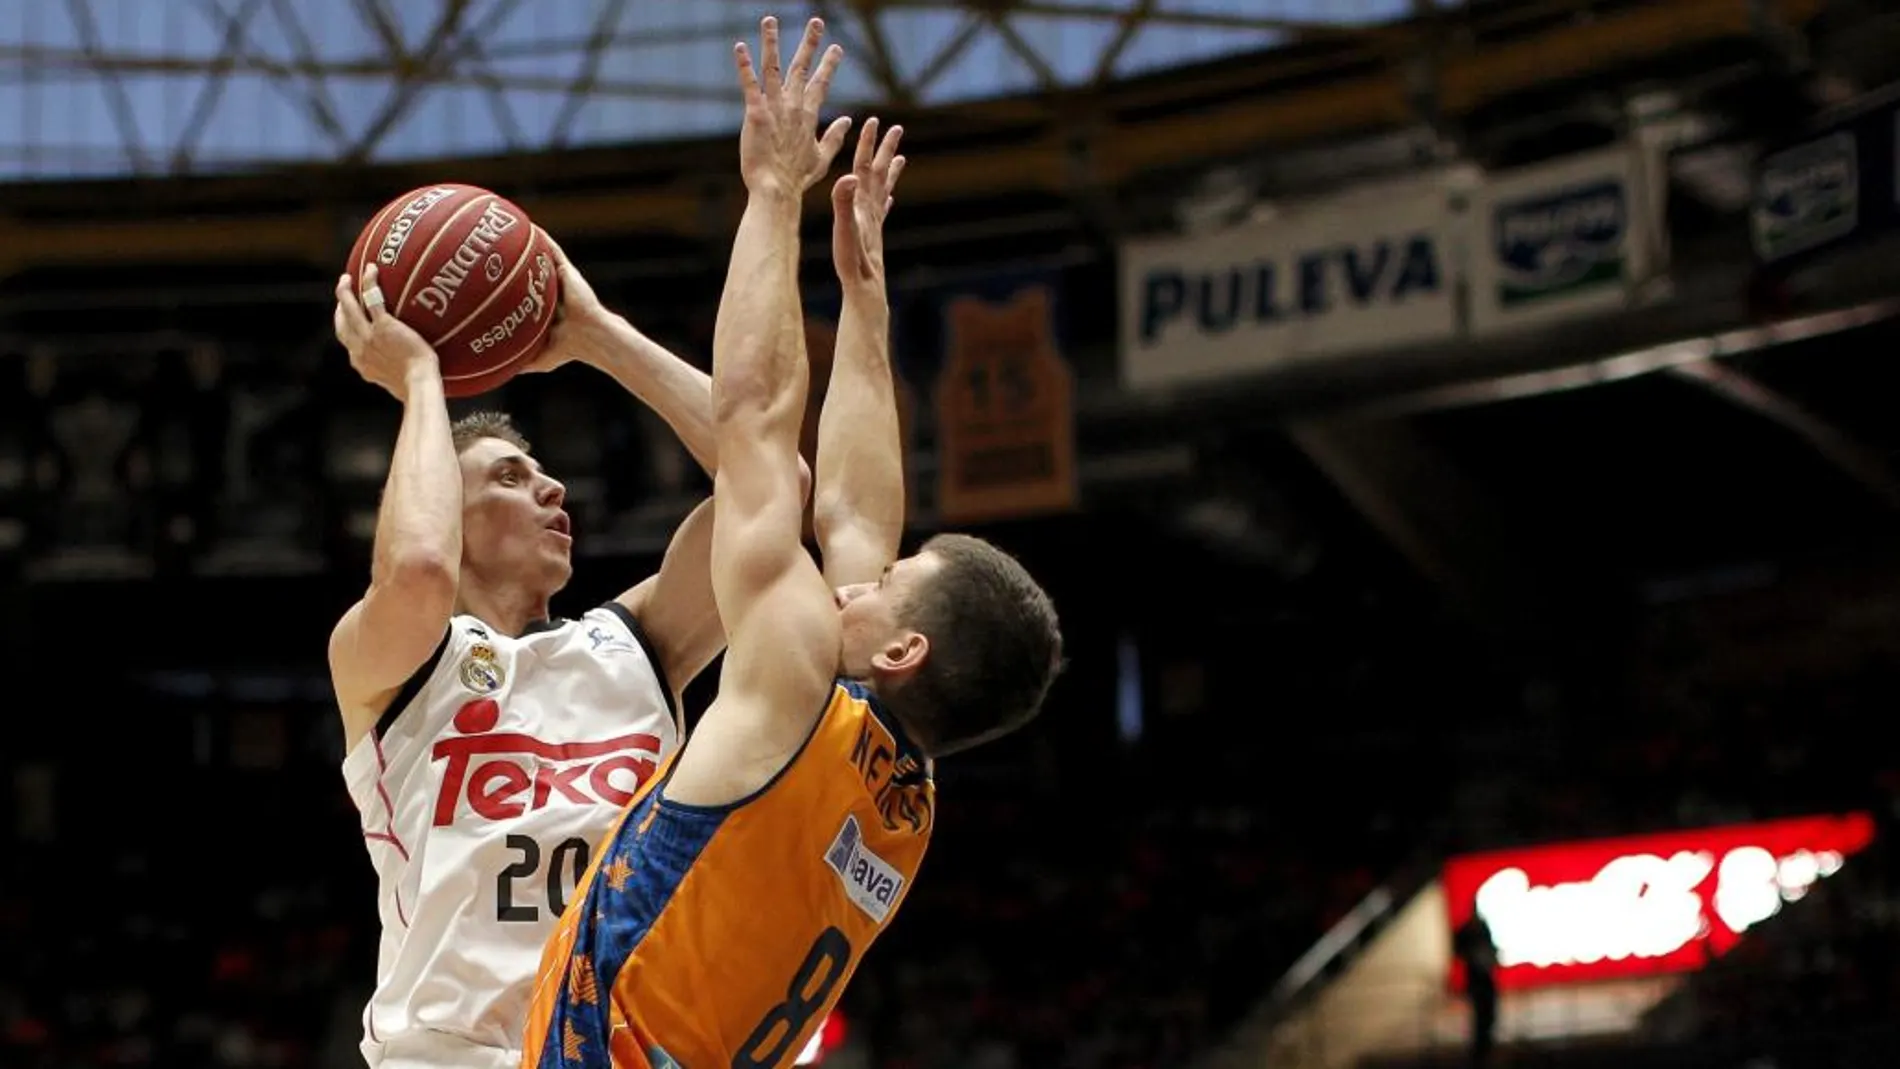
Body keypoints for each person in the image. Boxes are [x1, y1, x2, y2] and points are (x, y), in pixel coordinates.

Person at [519, 17, 1063, 1069]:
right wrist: (864, 304)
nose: (855, 586)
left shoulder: (795, 691)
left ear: (903, 651)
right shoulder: (901, 796)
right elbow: (858, 517)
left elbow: (756, 422)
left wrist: (772, 198)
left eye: (890, 588)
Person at [329, 241, 740, 1069]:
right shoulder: (389, 659)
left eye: (545, 475)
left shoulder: (633, 643)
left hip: (621, 1049)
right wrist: (420, 386)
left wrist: (597, 334)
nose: (553, 489)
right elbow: (415, 569)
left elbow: (773, 484)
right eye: (511, 479)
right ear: (447, 507)